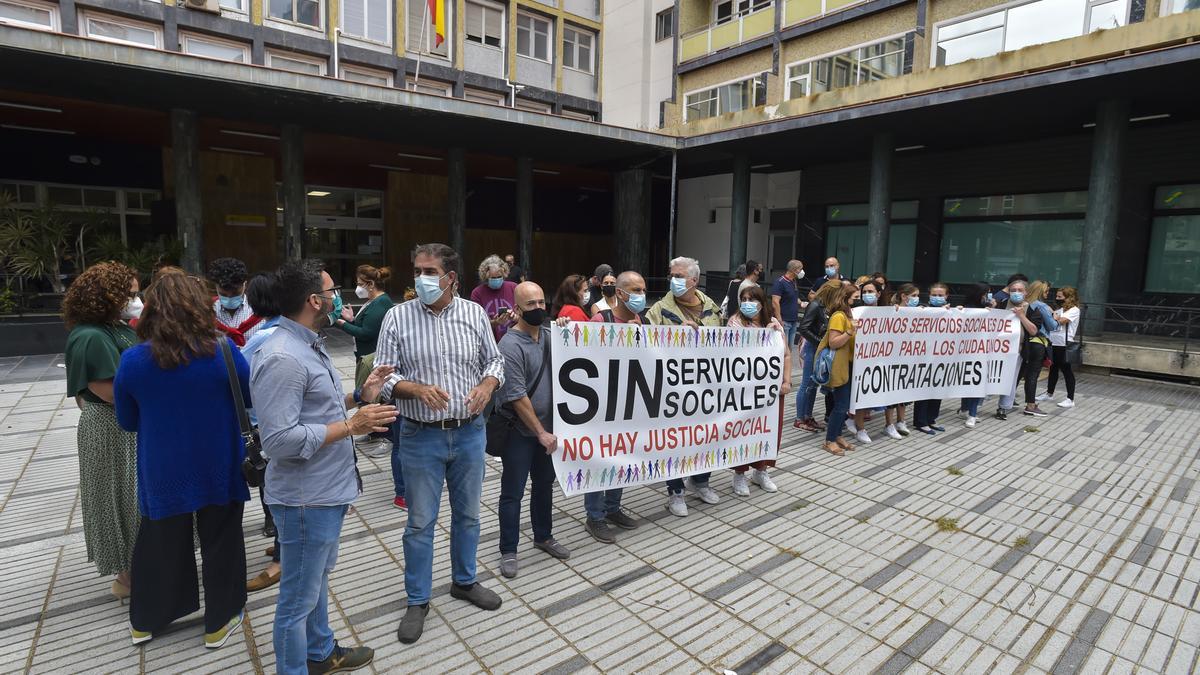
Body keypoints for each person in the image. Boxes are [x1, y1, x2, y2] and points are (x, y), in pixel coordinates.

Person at [250, 258, 397, 675]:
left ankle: (320, 652)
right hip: (303, 500)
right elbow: (278, 440)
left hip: (325, 491)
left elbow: (314, 410)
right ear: (315, 300)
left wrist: (358, 396)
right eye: (333, 292)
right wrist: (352, 426)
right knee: (295, 600)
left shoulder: (306, 343)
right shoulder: (282, 356)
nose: (339, 299)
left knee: (314, 584)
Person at [374, 243, 507, 645]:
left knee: (468, 516)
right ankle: (418, 599)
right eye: (417, 271)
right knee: (419, 524)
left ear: (450, 277)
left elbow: (495, 361)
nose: (420, 279)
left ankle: (464, 581)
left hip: (469, 432)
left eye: (429, 272)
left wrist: (487, 384)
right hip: (419, 436)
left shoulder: (473, 314)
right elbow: (382, 377)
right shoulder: (398, 317)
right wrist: (413, 388)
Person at [113, 272, 250, 649]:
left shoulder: (133, 361)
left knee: (159, 543)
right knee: (222, 542)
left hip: (163, 468)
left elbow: (126, 421)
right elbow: (248, 398)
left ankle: (146, 621)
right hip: (219, 464)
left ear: (153, 311)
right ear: (202, 308)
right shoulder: (223, 352)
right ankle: (219, 622)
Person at [62, 261, 142, 601]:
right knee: (119, 498)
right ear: (110, 296)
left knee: (133, 497)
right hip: (111, 428)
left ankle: (139, 570)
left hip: (127, 423)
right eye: (132, 294)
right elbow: (106, 391)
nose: (137, 301)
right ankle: (128, 575)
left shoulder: (116, 327)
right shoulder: (90, 336)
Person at [496, 281, 570, 579]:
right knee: (512, 492)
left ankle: (543, 536)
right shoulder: (509, 346)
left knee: (543, 486)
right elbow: (516, 396)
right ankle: (509, 549)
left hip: (548, 430)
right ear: (516, 309)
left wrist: (567, 327)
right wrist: (540, 432)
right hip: (520, 433)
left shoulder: (552, 336)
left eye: (542, 303)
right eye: (531, 305)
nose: (539, 309)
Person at [647, 256, 724, 516]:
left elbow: (727, 342)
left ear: (694, 280)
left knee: (706, 436)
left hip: (707, 387)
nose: (674, 280)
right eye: (672, 275)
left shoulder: (711, 306)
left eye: (679, 276)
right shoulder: (659, 309)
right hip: (673, 391)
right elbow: (644, 344)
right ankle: (675, 490)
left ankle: (700, 481)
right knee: (676, 441)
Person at [582, 271, 646, 542]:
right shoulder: (601, 319)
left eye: (643, 290)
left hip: (627, 404)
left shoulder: (638, 319)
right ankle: (594, 516)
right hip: (602, 406)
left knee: (622, 455)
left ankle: (613, 507)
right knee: (600, 459)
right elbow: (584, 356)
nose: (642, 295)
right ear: (620, 292)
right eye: (636, 290)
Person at [240, 273, 284, 591]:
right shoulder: (290, 329)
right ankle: (285, 544)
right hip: (281, 423)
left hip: (265, 425)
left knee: (277, 490)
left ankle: (282, 558)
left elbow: (238, 380)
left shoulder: (261, 338)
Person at [726, 285, 792, 495]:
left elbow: (786, 355)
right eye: (743, 299)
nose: (747, 303)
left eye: (752, 299)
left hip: (771, 391)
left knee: (768, 429)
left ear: (762, 303)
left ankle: (761, 470)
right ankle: (739, 474)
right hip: (744, 391)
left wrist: (786, 381)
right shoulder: (735, 323)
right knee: (743, 431)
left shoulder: (774, 325)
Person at [334, 265, 397, 459]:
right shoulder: (371, 302)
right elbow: (361, 325)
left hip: (373, 359)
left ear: (370, 285)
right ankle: (373, 433)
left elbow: (366, 333)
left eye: (361, 284)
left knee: (379, 398)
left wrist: (341, 323)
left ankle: (385, 436)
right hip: (364, 356)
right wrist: (351, 320)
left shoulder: (381, 303)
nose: (357, 288)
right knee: (368, 395)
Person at [994, 278, 1056, 420]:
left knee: (1010, 379)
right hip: (997, 349)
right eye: (1013, 290)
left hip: (1017, 350)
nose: (1016, 293)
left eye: (1019, 290)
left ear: (1026, 292)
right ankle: (973, 406)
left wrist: (1021, 316)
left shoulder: (1033, 309)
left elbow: (1034, 330)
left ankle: (1003, 408)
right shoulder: (1001, 305)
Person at [794, 281, 840, 432]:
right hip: (813, 348)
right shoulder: (815, 305)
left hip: (820, 349)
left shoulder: (827, 306)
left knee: (813, 385)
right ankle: (799, 418)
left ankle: (808, 416)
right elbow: (804, 328)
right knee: (806, 384)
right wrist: (820, 342)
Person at [818, 284, 858, 456]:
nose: (858, 300)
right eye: (855, 297)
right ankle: (829, 440)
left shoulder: (849, 314)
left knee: (845, 403)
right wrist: (849, 332)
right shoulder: (838, 316)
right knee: (841, 404)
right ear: (845, 297)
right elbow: (833, 342)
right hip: (839, 365)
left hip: (849, 364)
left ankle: (838, 435)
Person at [912, 282, 952, 435]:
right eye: (934, 295)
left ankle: (931, 419)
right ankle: (921, 421)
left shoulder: (951, 312)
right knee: (923, 390)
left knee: (938, 389)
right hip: (924, 358)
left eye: (940, 295)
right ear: (929, 296)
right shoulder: (923, 309)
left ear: (947, 296)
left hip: (942, 358)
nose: (937, 298)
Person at [958, 283, 992, 429]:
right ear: (980, 294)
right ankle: (968, 411)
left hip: (981, 352)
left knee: (976, 382)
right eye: (987, 293)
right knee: (971, 382)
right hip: (968, 352)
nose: (989, 296)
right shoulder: (967, 309)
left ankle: (970, 412)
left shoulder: (987, 308)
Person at [208, 257, 261, 346]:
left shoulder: (259, 311)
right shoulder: (206, 311)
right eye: (223, 294)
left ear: (245, 285)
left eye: (235, 293)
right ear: (216, 287)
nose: (229, 298)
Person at [1042, 286, 1080, 409]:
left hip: (1065, 343)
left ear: (1068, 298)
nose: (1057, 299)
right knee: (1053, 368)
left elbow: (1061, 321)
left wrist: (1051, 314)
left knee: (1066, 370)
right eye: (1057, 296)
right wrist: (1053, 315)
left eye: (1060, 297)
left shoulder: (1074, 310)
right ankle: (1049, 393)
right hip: (1054, 342)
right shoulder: (1059, 309)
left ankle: (1070, 398)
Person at [470, 255, 518, 342]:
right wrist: (496, 322)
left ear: (504, 274)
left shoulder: (514, 287)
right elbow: (477, 324)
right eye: (493, 278)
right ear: (486, 277)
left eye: (499, 277)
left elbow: (524, 317)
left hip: (514, 340)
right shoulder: (477, 293)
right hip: (490, 342)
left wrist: (515, 318)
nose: (496, 280)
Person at [770, 260, 804, 349]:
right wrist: (779, 318)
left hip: (793, 320)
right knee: (783, 349)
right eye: (800, 269)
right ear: (794, 270)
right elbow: (775, 302)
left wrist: (801, 303)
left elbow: (793, 296)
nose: (802, 272)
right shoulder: (780, 282)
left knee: (790, 348)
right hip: (784, 320)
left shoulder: (793, 282)